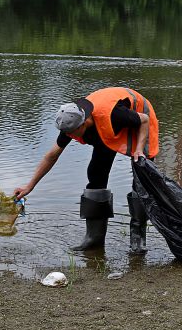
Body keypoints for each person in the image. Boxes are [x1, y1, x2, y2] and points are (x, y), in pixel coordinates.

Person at [13, 87, 159, 253]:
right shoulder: (70, 123)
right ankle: (94, 239)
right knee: (96, 174)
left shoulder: (113, 115)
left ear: (84, 123)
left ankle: (138, 241)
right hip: (108, 129)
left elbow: (144, 120)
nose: (71, 137)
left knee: (141, 180)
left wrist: (139, 149)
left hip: (141, 122)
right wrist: (29, 186)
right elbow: (51, 155)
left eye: (73, 133)